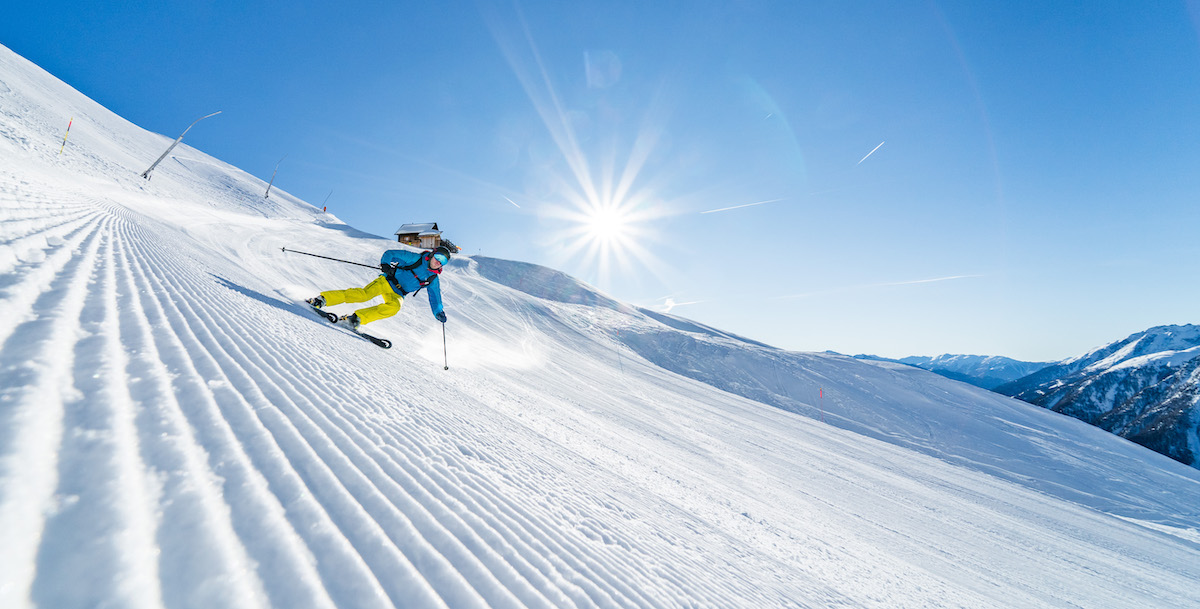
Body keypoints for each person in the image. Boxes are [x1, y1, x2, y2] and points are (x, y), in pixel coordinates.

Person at [307, 243, 454, 329]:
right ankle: (322, 299)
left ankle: (356, 318)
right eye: (439, 257)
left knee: (394, 307)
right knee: (363, 295)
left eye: (443, 262)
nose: (439, 262)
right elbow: (390, 253)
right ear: (433, 254)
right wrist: (385, 264)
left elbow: (435, 298)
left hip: (398, 293)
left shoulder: (433, 278)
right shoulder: (415, 258)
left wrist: (438, 312)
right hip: (386, 282)